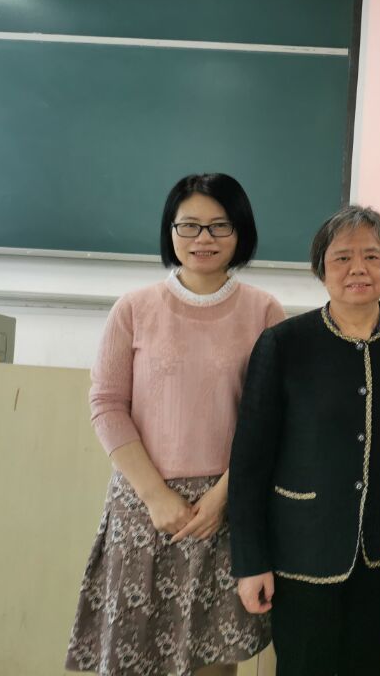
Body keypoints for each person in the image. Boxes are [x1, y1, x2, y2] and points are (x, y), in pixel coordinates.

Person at [66, 173, 285, 676]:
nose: (203, 238)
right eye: (189, 225)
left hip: (224, 510)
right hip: (144, 507)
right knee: (132, 657)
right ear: (170, 230)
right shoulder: (134, 308)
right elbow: (107, 404)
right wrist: (156, 496)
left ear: (241, 231)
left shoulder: (264, 312)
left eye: (219, 225)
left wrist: (223, 496)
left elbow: (273, 419)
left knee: (213, 661)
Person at [229, 206, 380, 676]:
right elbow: (249, 462)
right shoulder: (283, 344)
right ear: (321, 269)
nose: (358, 269)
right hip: (300, 547)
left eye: (372, 256)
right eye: (343, 258)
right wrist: (250, 561)